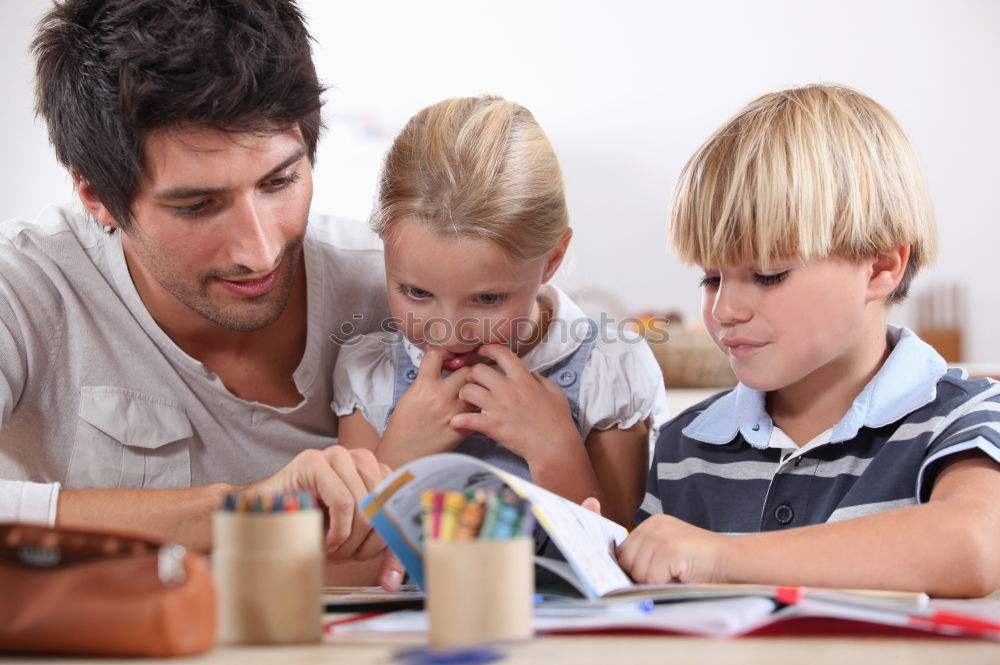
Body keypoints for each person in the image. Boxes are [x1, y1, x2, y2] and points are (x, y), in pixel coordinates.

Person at [0, 0, 399, 585]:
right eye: (197, 205)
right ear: (97, 197)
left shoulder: (399, 290)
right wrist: (240, 510)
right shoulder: (27, 288)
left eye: (280, 181)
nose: (259, 251)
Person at [618, 84, 1000, 597]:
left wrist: (722, 557)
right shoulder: (686, 445)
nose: (724, 310)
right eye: (711, 278)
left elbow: (972, 546)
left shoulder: (965, 418)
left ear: (881, 267)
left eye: (770, 274)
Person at [333, 96, 668, 527]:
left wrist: (556, 451)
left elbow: (621, 563)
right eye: (416, 292)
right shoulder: (369, 374)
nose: (449, 332)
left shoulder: (611, 370)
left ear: (551, 259)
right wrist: (399, 457)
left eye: (487, 299)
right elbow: (349, 568)